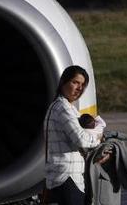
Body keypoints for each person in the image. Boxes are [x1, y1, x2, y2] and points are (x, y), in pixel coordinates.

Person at [44, 65, 103, 205]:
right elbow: (81, 139)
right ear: (64, 82)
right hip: (67, 178)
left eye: (83, 85)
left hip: (64, 177)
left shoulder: (65, 107)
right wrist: (98, 139)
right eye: (75, 82)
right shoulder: (63, 108)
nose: (79, 88)